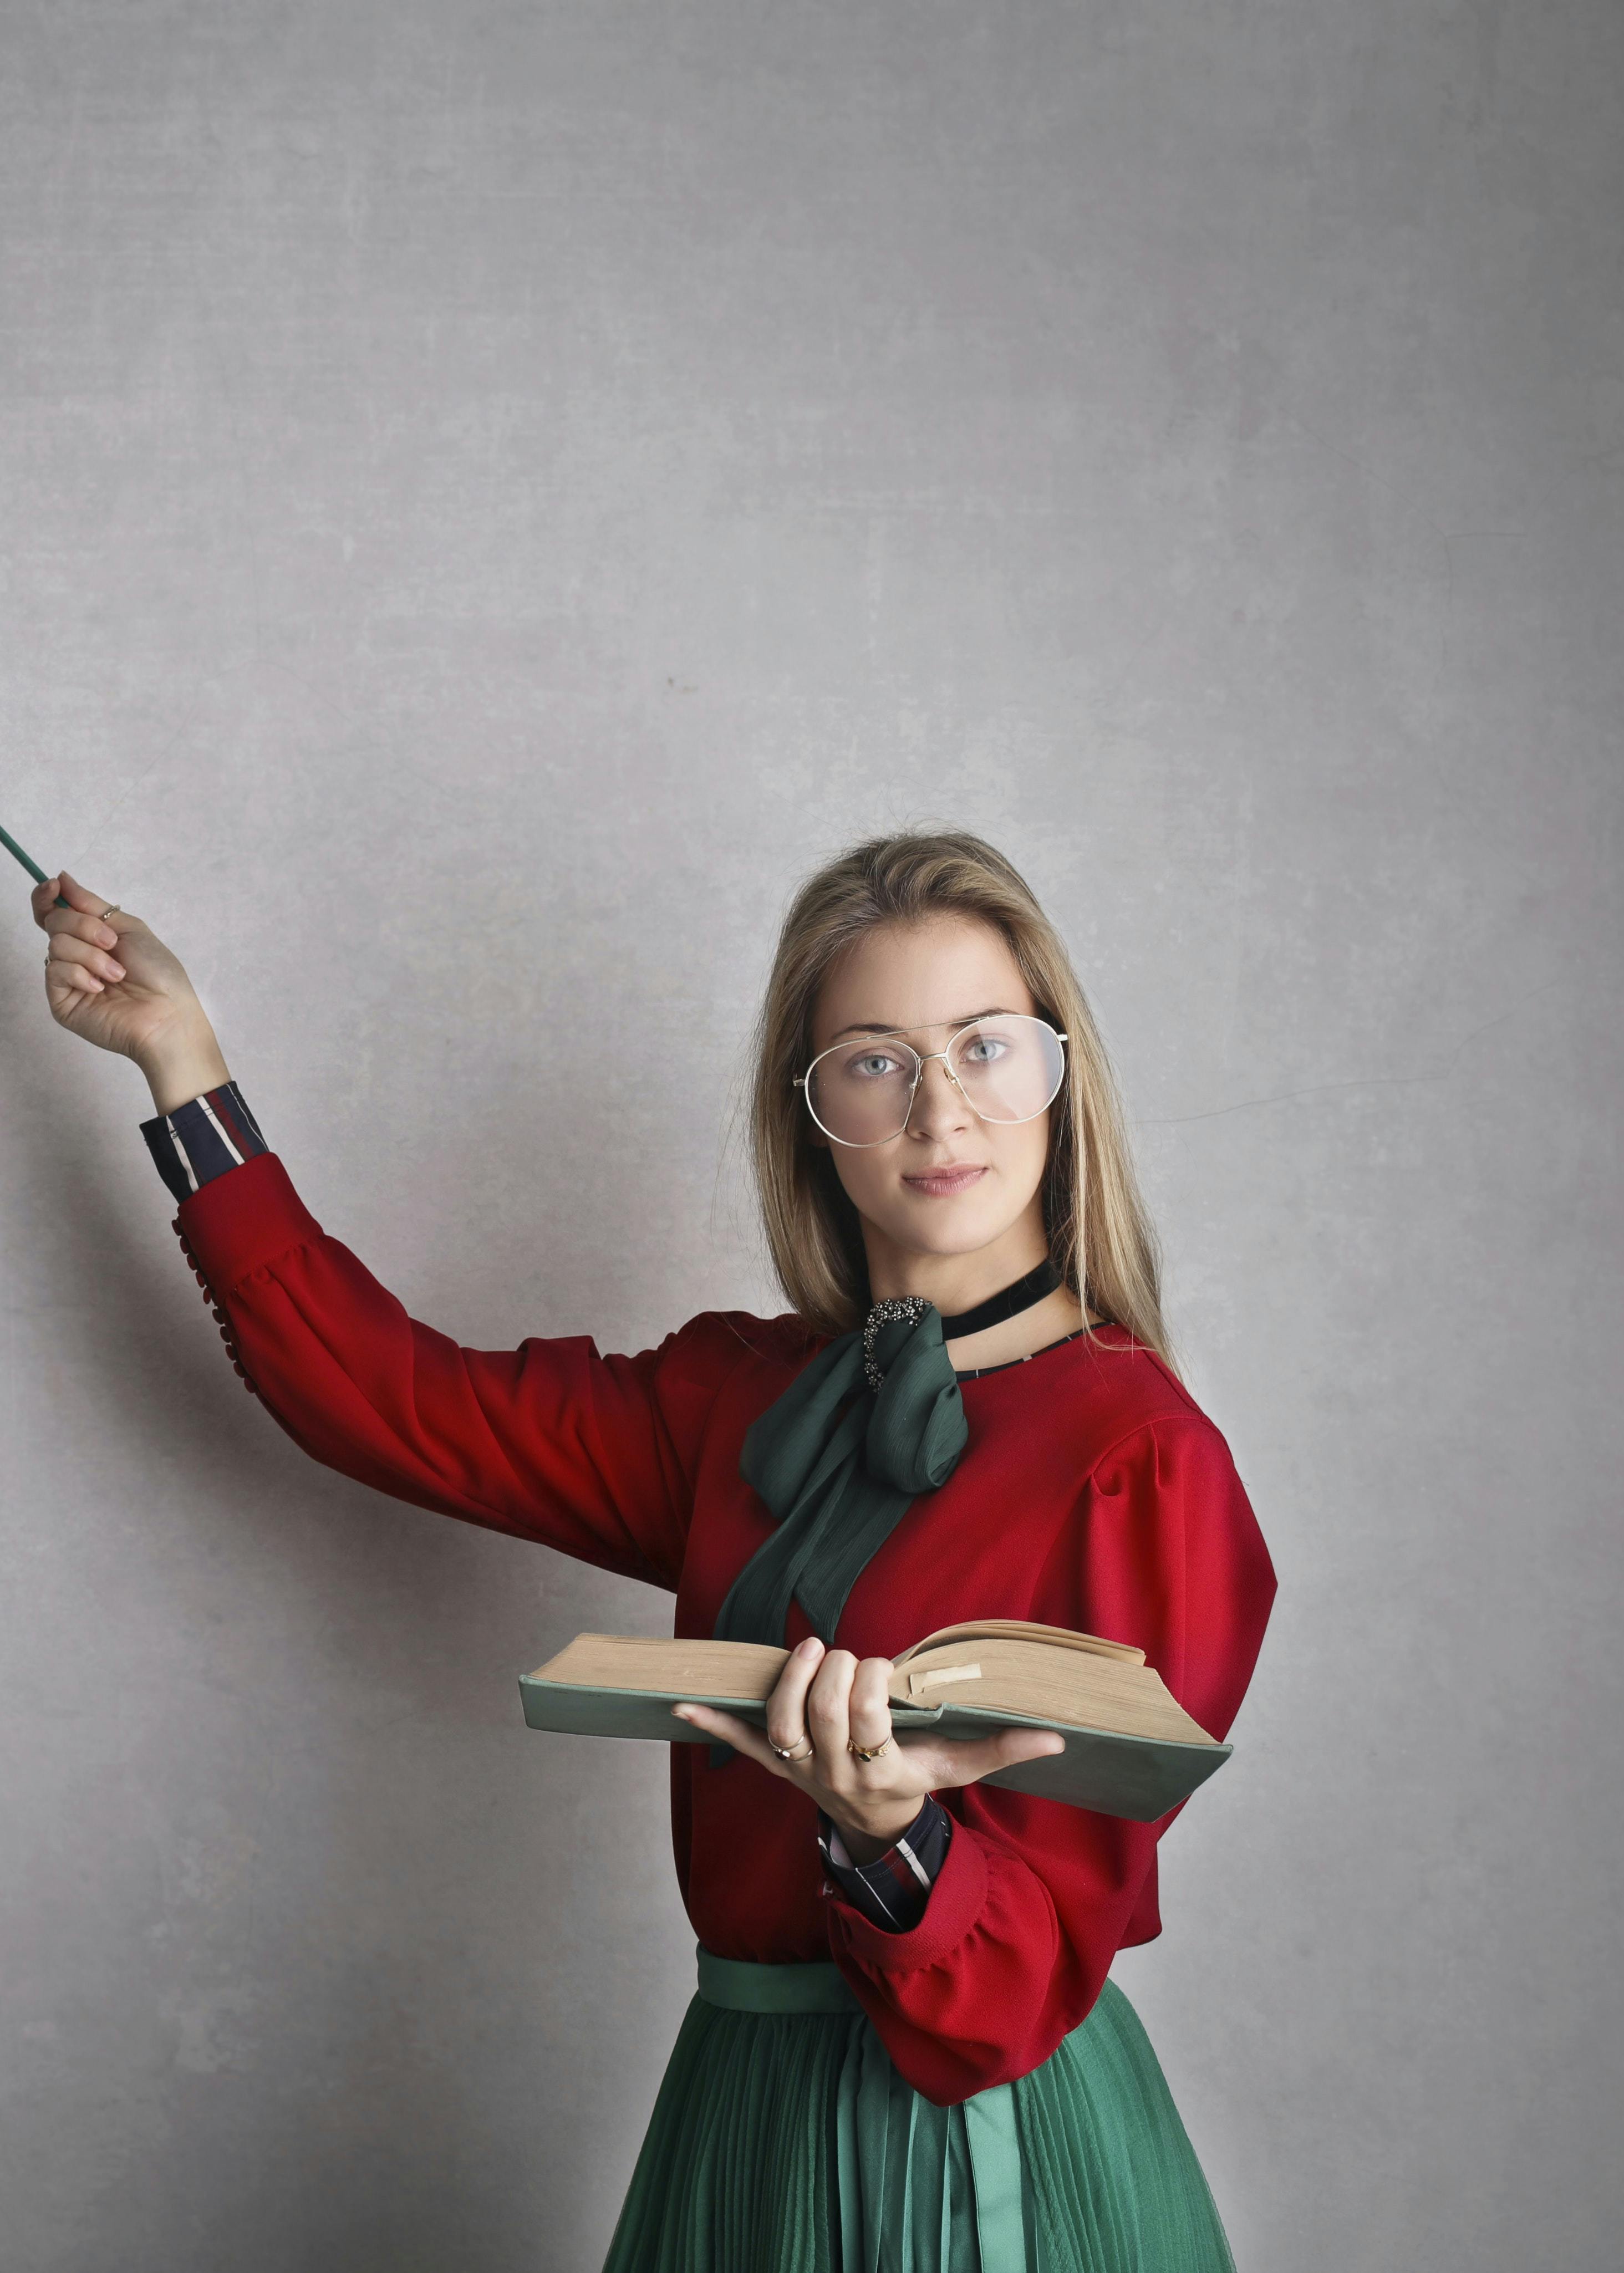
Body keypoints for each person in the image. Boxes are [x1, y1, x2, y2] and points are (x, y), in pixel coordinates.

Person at [34, 828, 1277, 2271]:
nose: (942, 1110)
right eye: (875, 1059)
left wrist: (892, 1836)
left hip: (971, 2139)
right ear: (812, 1114)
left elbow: (1014, 1989)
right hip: (735, 2109)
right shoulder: (737, 1398)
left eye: (985, 1045)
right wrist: (184, 1064)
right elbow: (385, 1400)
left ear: (1060, 1075)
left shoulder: (1139, 1457)